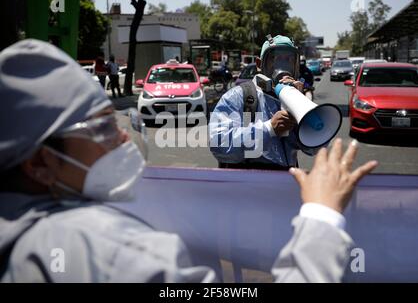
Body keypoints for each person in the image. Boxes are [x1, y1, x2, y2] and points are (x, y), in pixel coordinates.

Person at [0, 39, 378, 283]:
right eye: (99, 129)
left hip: (281, 201)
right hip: (244, 201)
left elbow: (310, 147)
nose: (121, 138)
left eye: (289, 58)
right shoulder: (118, 252)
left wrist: (301, 121)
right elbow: (219, 144)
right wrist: (323, 217)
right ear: (38, 164)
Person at [209, 35, 317, 171]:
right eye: (276, 59)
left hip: (286, 183)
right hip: (249, 184)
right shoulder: (238, 96)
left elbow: (314, 149)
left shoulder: (297, 97)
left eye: (289, 60)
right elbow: (219, 145)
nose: (283, 66)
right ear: (260, 64)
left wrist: (301, 112)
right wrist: (269, 129)